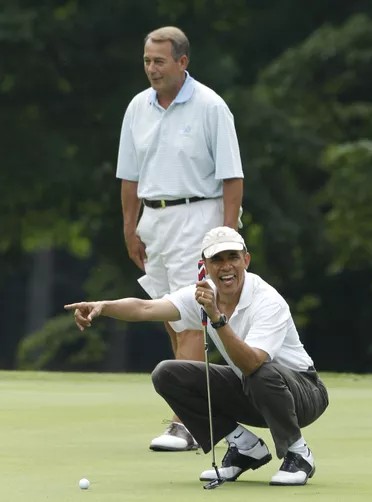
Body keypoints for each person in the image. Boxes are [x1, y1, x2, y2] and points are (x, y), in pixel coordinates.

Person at [65, 226, 329, 486]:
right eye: (217, 259)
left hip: (303, 393)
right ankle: (244, 446)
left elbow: (251, 362)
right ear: (205, 265)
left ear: (246, 260)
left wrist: (216, 318)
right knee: (167, 374)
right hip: (254, 389)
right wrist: (103, 307)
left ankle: (298, 453)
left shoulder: (268, 300)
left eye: (233, 257)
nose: (226, 266)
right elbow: (146, 308)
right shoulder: (201, 294)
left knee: (260, 372)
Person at [116, 26, 244, 451]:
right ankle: (197, 412)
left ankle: (184, 423)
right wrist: (129, 226)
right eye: (147, 61)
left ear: (182, 62)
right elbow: (129, 176)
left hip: (199, 217)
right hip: (155, 221)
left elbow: (232, 177)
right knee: (171, 318)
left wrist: (227, 236)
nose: (152, 69)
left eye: (160, 61)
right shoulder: (138, 107)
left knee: (189, 316)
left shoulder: (210, 106)